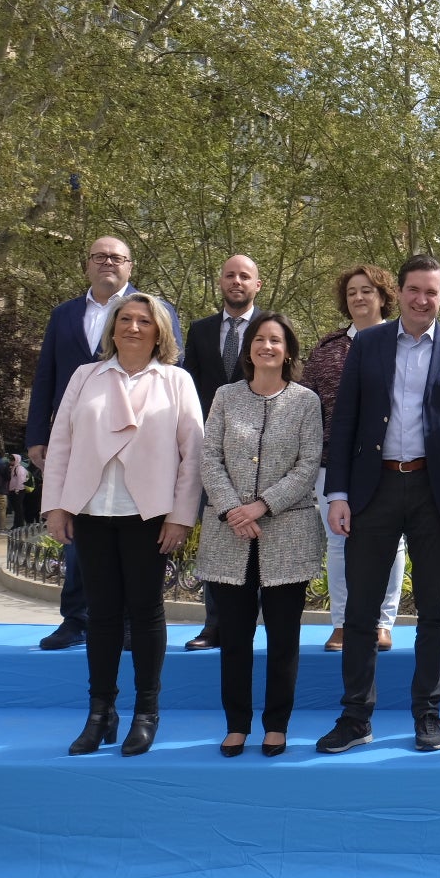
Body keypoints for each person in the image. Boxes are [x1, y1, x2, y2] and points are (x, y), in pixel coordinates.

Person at [316, 255, 440, 755]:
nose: (421, 300)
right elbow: (344, 422)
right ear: (402, 292)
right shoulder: (368, 344)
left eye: (431, 292)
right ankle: (355, 717)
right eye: (414, 290)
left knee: (435, 611)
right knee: (360, 612)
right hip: (375, 490)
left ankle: (427, 715)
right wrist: (339, 494)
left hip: (437, 495)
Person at [39, 292, 204, 757]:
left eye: (144, 322)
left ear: (159, 333)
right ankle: (100, 712)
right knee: (102, 615)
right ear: (112, 328)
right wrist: (56, 505)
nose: (133, 328)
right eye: (125, 319)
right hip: (91, 510)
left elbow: (193, 454)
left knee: (146, 612)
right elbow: (62, 442)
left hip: (148, 516)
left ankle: (146, 713)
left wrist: (180, 516)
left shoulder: (176, 381)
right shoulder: (85, 376)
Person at [25, 236, 184, 651]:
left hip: (142, 451)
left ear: (130, 266)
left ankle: (131, 623)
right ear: (87, 265)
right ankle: (75, 618)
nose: (107, 263)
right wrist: (37, 435)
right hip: (83, 441)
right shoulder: (64, 315)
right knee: (78, 539)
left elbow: (170, 373)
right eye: (99, 256)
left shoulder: (155, 310)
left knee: (136, 557)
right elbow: (46, 374)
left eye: (116, 257)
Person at [197, 313, 324, 758]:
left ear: (288, 350)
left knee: (284, 638)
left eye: (276, 340)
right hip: (229, 536)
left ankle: (276, 724)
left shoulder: (306, 401)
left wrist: (262, 504)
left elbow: (308, 465)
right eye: (259, 339)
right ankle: (236, 724)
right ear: (249, 348)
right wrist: (234, 508)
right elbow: (209, 457)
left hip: (287, 533)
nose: (266, 346)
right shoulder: (226, 397)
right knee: (234, 637)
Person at [300, 264, 404, 654]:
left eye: (367, 291)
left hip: (389, 461)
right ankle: (342, 624)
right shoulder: (327, 350)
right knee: (339, 543)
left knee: (390, 543)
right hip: (334, 462)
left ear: (383, 296)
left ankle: (383, 623)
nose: (359, 298)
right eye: (351, 293)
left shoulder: (403, 342)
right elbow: (309, 408)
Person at [180, 254, 263, 652]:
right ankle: (215, 625)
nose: (236, 281)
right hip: (213, 450)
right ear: (220, 281)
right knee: (218, 539)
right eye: (230, 275)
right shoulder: (199, 331)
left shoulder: (270, 329)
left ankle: (258, 620)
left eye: (244, 276)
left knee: (263, 538)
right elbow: (188, 388)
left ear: (256, 285)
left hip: (263, 452)